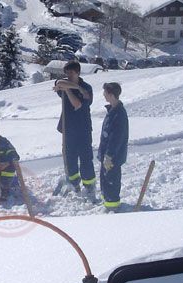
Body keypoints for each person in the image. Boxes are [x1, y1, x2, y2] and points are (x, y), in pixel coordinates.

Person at [53, 60, 95, 195]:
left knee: (85, 157)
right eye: (67, 73)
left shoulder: (87, 88)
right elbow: (59, 83)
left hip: (83, 128)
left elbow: (77, 104)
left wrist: (69, 91)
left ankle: (89, 185)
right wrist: (76, 88)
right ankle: (73, 183)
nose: (68, 75)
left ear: (78, 72)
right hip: (68, 128)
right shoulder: (71, 85)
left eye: (71, 72)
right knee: (70, 157)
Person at [98, 82, 129, 212]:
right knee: (105, 178)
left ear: (111, 94)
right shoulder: (112, 110)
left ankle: (113, 205)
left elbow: (116, 138)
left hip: (112, 157)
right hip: (106, 154)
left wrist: (109, 155)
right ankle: (107, 202)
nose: (103, 95)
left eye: (105, 92)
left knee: (111, 179)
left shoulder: (119, 114)